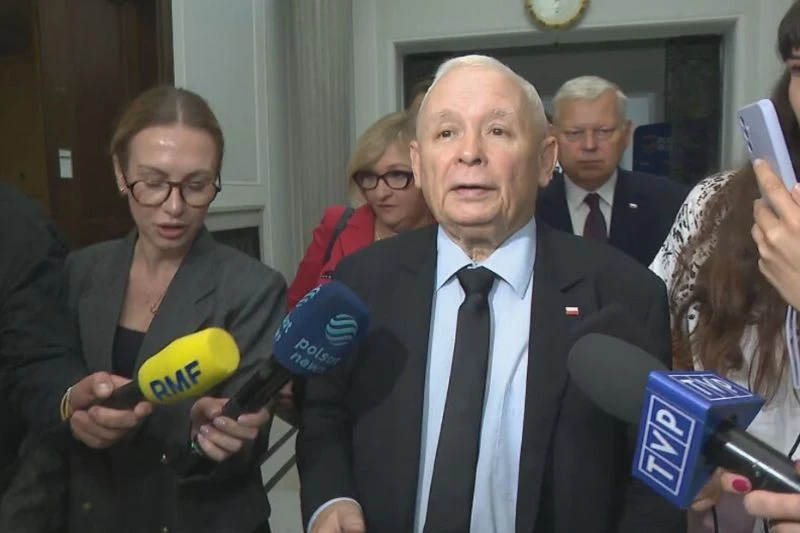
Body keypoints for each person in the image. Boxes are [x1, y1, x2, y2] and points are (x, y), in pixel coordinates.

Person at [297, 55, 684, 533]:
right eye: (446, 133)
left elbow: (654, 480)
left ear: (544, 160)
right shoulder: (362, 281)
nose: (469, 153)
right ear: (419, 163)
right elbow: (324, 414)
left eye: (497, 131)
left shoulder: (626, 294)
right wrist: (331, 498)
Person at [4, 86, 287, 533]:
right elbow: (45, 410)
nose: (174, 207)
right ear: (121, 174)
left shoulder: (254, 289)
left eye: (197, 185)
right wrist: (73, 413)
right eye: (153, 183)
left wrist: (208, 435)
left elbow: (249, 446)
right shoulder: (79, 270)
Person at [650, 3, 800, 531]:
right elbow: (657, 326)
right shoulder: (715, 205)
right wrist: (695, 443)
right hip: (733, 508)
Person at [287, 110, 433, 310]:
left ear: (425, 173)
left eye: (397, 175)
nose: (380, 193)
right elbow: (295, 307)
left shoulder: (453, 239)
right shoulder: (336, 224)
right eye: (369, 177)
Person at [537, 75, 687, 266]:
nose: (589, 145)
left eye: (604, 132)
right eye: (575, 133)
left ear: (627, 134)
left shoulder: (669, 202)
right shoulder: (529, 207)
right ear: (553, 137)